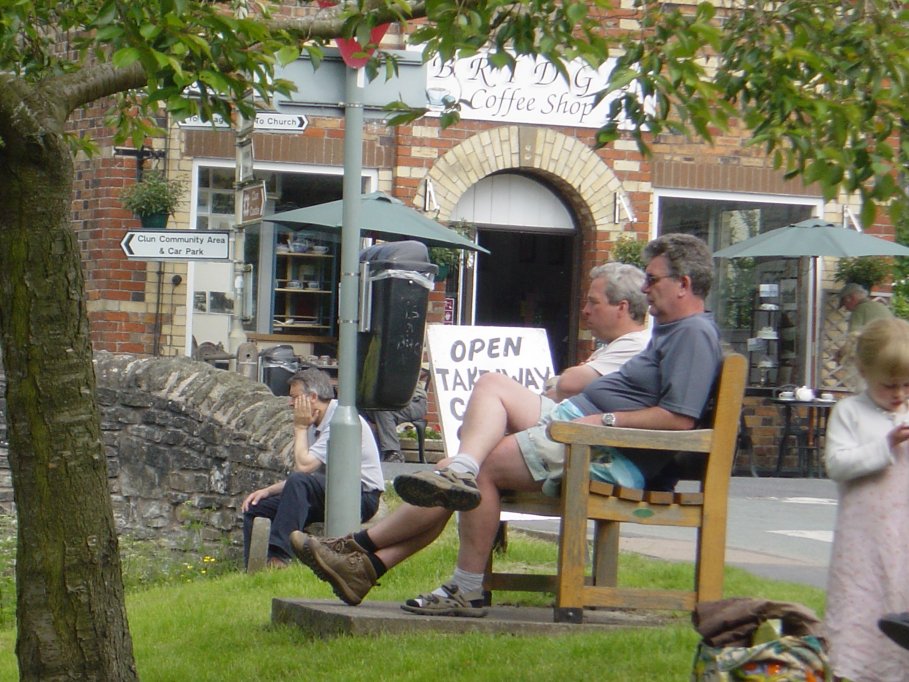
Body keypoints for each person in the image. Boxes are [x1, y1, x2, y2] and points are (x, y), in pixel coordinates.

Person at [292, 233, 723, 617]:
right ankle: (369, 562)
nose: (646, 288)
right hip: (582, 430)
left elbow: (679, 418)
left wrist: (604, 419)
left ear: (683, 284)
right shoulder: (673, 332)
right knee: (487, 399)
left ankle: (435, 576)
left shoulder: (692, 335)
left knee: (478, 471)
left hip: (601, 446)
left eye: (653, 279)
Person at [823, 317, 909, 680]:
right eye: (889, 385)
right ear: (863, 371)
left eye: (907, 384)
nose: (899, 394)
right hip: (862, 541)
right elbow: (837, 464)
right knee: (860, 604)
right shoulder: (849, 413)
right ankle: (853, 669)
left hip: (903, 539)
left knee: (901, 601)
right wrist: (885, 444)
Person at [242, 367, 384, 569]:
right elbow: (304, 478)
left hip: (360, 497)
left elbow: (303, 468)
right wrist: (267, 491)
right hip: (331, 491)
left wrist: (300, 428)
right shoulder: (316, 421)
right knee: (256, 508)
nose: (290, 403)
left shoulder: (339, 420)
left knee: (299, 481)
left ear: (313, 397)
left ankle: (279, 558)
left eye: (295, 397)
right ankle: (254, 567)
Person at [544, 261, 650, 401]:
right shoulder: (615, 346)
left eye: (593, 302)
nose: (585, 310)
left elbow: (568, 384)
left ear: (621, 307)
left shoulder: (636, 345)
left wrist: (558, 384)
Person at [362, 368, 429, 463]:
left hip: (413, 402)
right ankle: (368, 454)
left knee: (383, 410)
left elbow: (391, 389)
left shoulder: (395, 362)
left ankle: (393, 453)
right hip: (388, 402)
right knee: (359, 410)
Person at [836, 282, 893, 392]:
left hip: (872, 360)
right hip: (890, 358)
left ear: (850, 298)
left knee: (863, 391)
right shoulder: (881, 307)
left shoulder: (859, 310)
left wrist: (841, 354)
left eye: (844, 304)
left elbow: (853, 339)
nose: (846, 309)